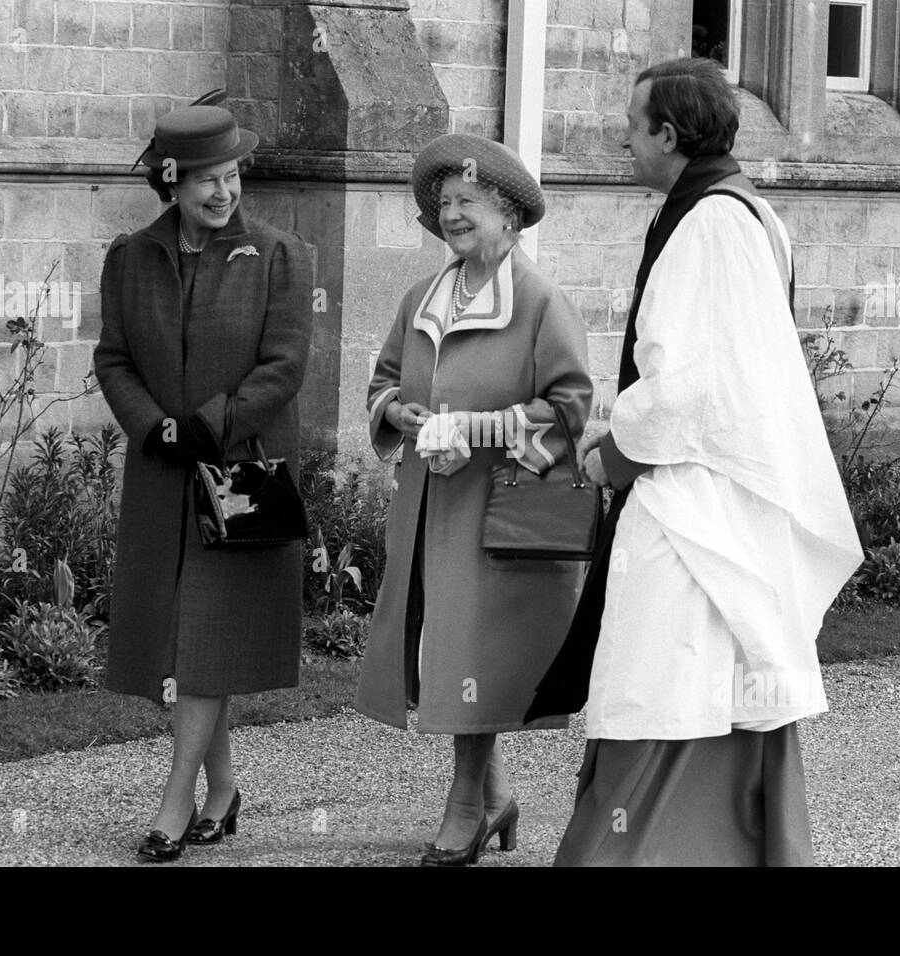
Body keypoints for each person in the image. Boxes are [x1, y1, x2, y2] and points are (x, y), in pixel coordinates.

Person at [529, 57, 864, 866]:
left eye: (633, 124)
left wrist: (606, 453)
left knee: (667, 676)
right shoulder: (745, 211)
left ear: (669, 135)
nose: (623, 137)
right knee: (715, 677)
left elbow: (684, 387)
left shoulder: (709, 222)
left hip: (693, 497)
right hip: (723, 489)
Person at [355, 133, 592, 866]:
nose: (452, 215)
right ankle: (497, 801)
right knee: (443, 652)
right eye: (445, 203)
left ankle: (465, 809)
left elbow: (573, 404)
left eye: (469, 203)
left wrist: (482, 429)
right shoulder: (420, 297)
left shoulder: (542, 302)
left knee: (471, 653)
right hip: (427, 507)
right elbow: (382, 382)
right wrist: (399, 413)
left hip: (499, 510)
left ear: (509, 217)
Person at [94, 104, 313, 862]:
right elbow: (113, 358)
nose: (224, 192)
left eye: (232, 175)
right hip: (162, 476)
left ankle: (176, 799)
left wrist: (212, 424)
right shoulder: (130, 258)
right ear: (171, 181)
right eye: (206, 180)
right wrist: (155, 426)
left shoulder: (282, 256)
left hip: (241, 473)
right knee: (189, 641)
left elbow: (285, 364)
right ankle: (223, 792)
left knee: (207, 634)